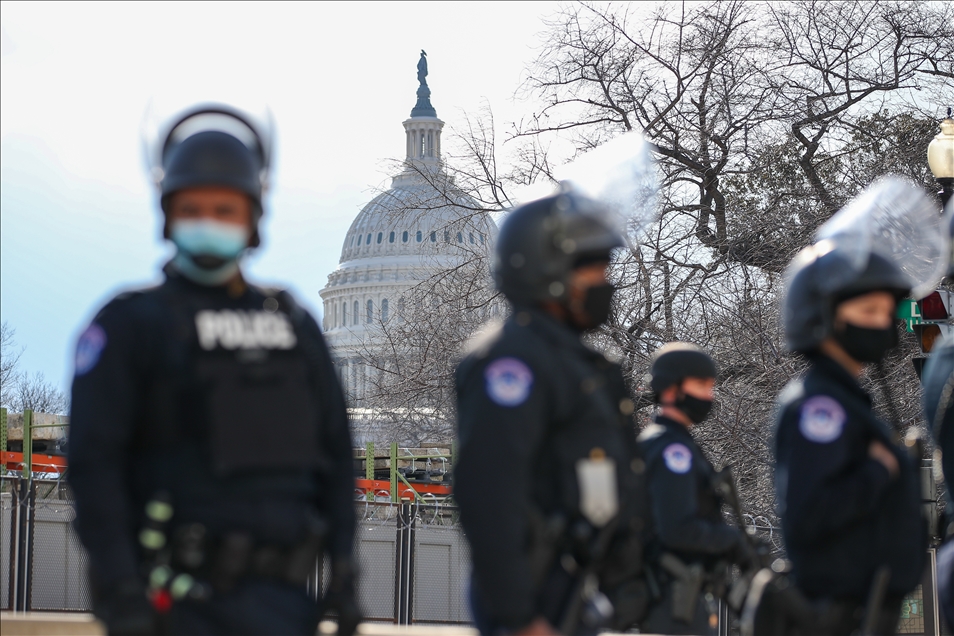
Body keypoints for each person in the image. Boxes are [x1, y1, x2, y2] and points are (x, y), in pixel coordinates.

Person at [68, 106, 359, 636]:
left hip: (284, 606)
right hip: (171, 604)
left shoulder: (292, 324)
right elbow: (93, 466)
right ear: (167, 215)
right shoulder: (131, 324)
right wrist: (119, 588)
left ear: (253, 217)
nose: (209, 222)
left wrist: (344, 569)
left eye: (225, 209)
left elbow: (337, 458)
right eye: (192, 208)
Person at [453, 189, 652, 635]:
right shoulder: (510, 361)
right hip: (539, 598)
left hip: (579, 589)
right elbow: (490, 497)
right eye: (591, 269)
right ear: (546, 270)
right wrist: (521, 616)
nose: (604, 283)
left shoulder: (577, 362)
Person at [774, 243, 927, 635]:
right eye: (868, 311)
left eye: (885, 311)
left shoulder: (847, 399)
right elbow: (810, 514)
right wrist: (880, 469)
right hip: (842, 617)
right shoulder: (819, 407)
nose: (883, 322)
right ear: (823, 316)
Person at [637, 343, 753, 635]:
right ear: (670, 389)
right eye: (701, 385)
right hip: (671, 598)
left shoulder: (668, 441)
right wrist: (731, 541)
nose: (709, 396)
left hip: (676, 595)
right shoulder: (672, 450)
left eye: (711, 386)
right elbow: (677, 528)